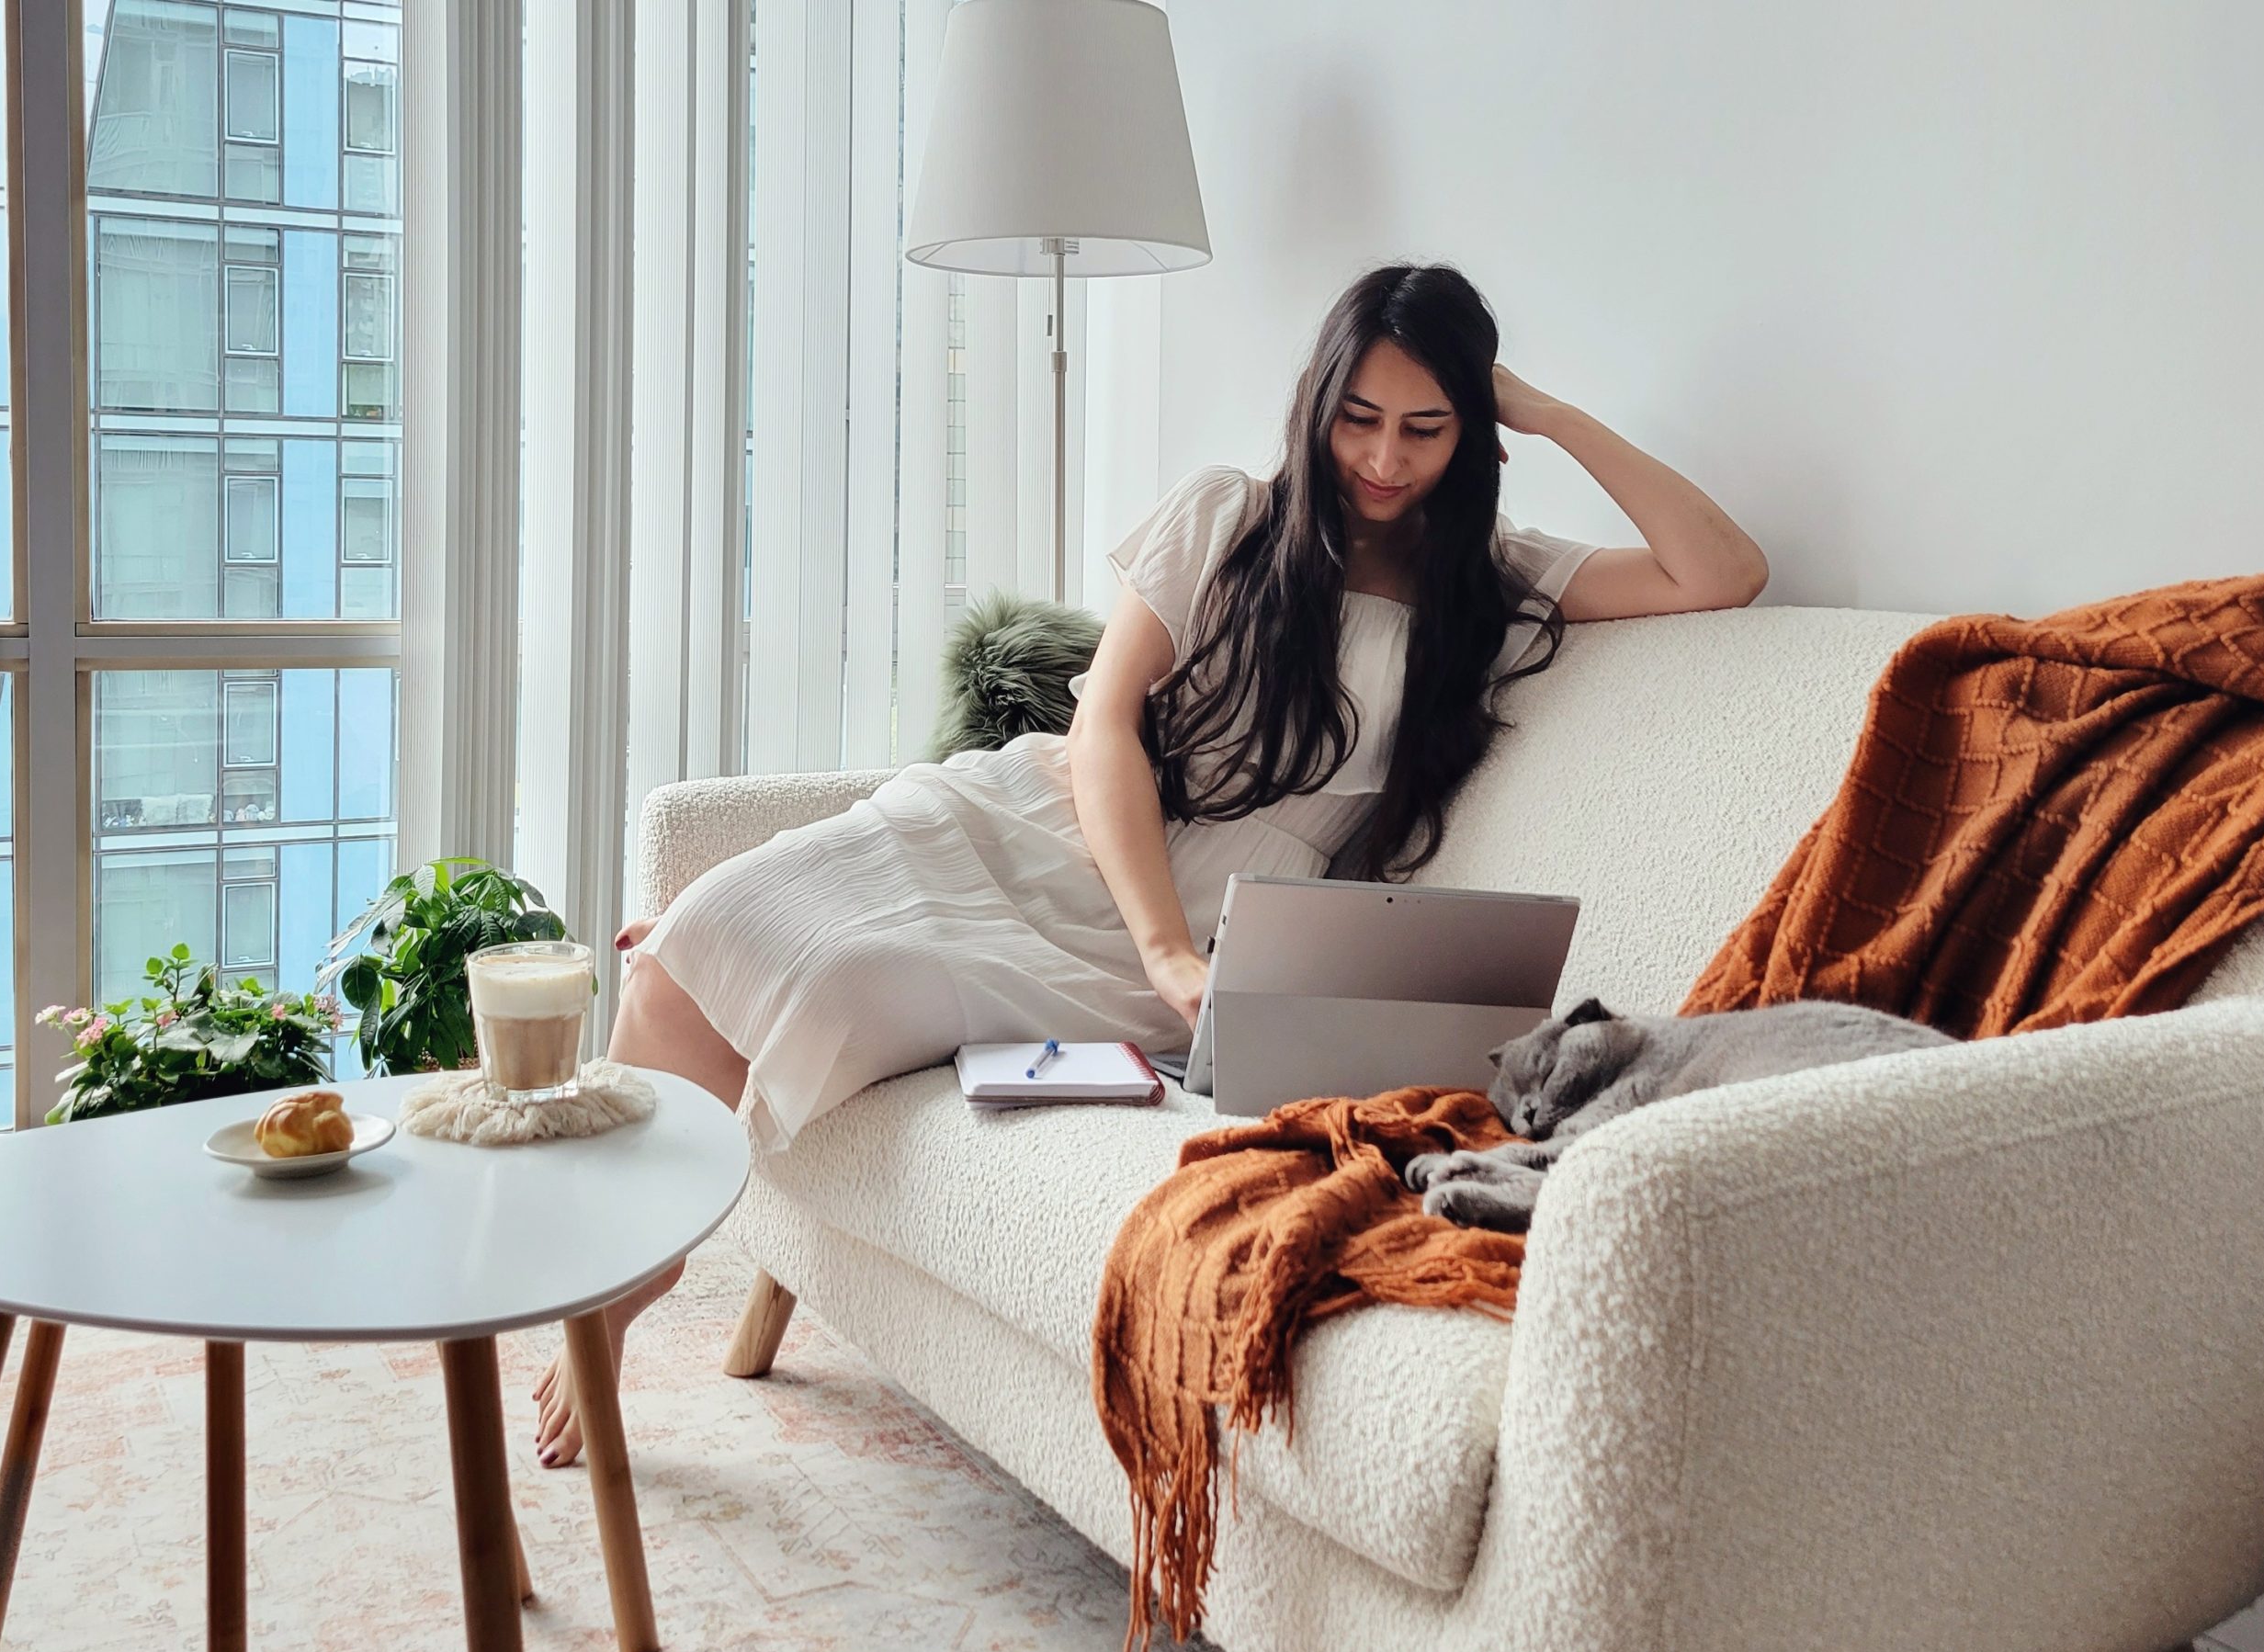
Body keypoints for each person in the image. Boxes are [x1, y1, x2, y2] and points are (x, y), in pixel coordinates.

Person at [530, 262, 1769, 1465]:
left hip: (1196, 934)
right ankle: (620, 1288)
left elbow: (1718, 570)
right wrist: (1165, 943)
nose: (1385, 459)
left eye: (1428, 428)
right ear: (1317, 402)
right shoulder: (1228, 514)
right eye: (1359, 419)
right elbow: (1104, 722)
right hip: (1042, 825)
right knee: (702, 934)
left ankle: (637, 1255)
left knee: (835, 983)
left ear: (1470, 433)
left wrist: (1537, 413)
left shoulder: (1486, 589)